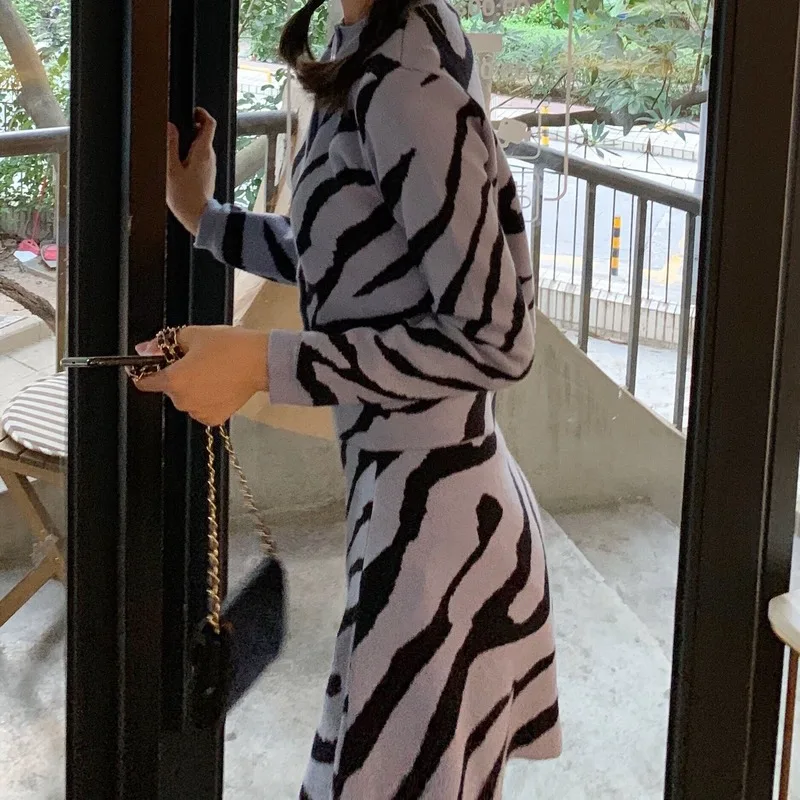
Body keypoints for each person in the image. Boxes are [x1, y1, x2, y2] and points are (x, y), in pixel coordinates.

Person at [136, 0, 561, 797]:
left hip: (434, 538)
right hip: (413, 510)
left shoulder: (403, 77)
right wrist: (204, 219)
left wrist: (263, 363)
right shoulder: (376, 43)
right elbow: (352, 258)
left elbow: (498, 339)